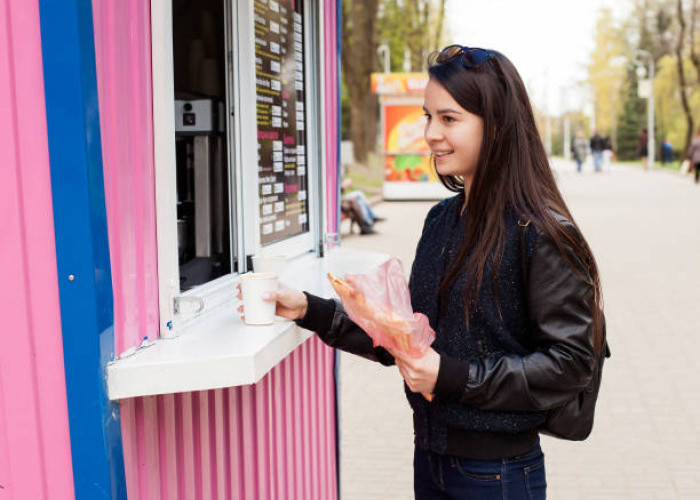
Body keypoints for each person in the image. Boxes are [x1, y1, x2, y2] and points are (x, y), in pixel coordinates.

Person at [239, 45, 605, 499]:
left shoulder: (540, 232)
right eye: (427, 117)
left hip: (499, 475)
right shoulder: (441, 220)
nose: (430, 134)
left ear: (498, 127)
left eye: (449, 119)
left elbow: (571, 365)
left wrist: (450, 376)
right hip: (430, 461)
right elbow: (407, 339)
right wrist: (307, 310)